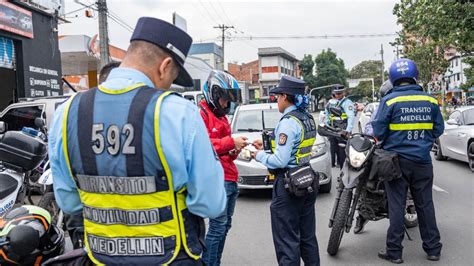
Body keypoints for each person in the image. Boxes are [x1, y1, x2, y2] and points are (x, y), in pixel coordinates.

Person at [48, 17, 226, 265]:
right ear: (164, 66)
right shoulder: (178, 113)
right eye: (171, 78)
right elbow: (211, 203)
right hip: (172, 257)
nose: (166, 86)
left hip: (101, 258)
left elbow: (69, 202)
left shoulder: (66, 115)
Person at [373, 58, 444, 264]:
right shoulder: (430, 100)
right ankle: (433, 250)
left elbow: (378, 131)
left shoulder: (389, 101)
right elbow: (438, 129)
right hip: (423, 161)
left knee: (397, 207)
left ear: (393, 79)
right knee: (425, 205)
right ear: (415, 76)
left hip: (396, 163)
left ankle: (394, 253)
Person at [251, 75, 320, 266]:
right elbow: (296, 146)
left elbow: (279, 161)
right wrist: (270, 143)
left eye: (278, 96)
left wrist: (257, 155)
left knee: (287, 242)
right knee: (307, 239)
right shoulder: (307, 118)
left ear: (284, 96)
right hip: (307, 179)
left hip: (288, 186)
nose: (276, 101)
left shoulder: (288, 122)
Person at [64, 60, 122, 250]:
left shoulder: (71, 115)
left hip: (88, 221)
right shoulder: (136, 120)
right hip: (94, 224)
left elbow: (67, 198)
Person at [199, 70, 247, 266]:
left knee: (225, 226)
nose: (227, 104)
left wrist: (237, 148)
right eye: (225, 100)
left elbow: (226, 152)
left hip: (230, 178)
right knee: (217, 228)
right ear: (214, 94)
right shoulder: (201, 115)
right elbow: (204, 147)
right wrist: (230, 142)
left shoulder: (222, 118)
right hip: (216, 180)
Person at [354, 80, 393, 234]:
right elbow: (370, 126)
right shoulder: (380, 108)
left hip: (394, 152)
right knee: (363, 175)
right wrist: (369, 137)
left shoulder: (401, 106)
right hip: (378, 149)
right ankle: (362, 214)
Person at [325, 85, 355, 168]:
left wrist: (348, 130)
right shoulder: (332, 103)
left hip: (343, 132)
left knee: (343, 154)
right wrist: (327, 126)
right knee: (335, 151)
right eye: (336, 93)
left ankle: (344, 173)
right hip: (334, 131)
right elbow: (328, 116)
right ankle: (341, 172)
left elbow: (351, 117)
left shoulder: (347, 102)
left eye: (339, 93)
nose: (337, 95)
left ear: (344, 92)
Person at [325, 93, 340, 168]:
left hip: (331, 128)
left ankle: (333, 163)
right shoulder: (340, 103)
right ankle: (339, 163)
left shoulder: (328, 105)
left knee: (333, 147)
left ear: (331, 96)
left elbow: (326, 119)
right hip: (340, 128)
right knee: (340, 146)